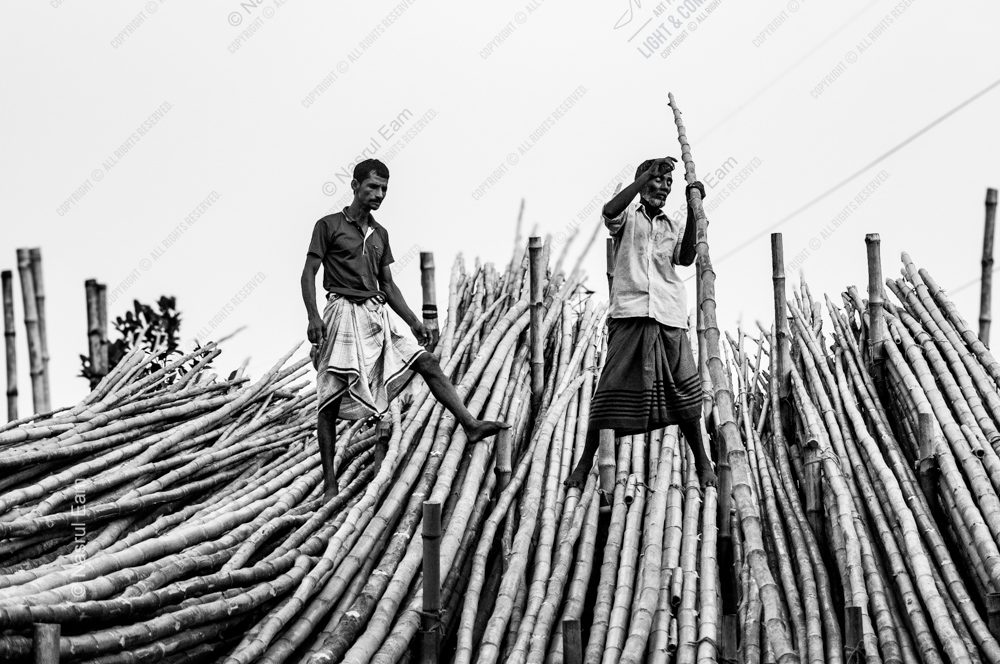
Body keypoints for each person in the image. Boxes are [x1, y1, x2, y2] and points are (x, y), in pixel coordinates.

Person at [301, 158, 508, 499]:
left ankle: (469, 423)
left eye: (383, 189)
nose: (378, 194)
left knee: (425, 362)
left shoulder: (380, 234)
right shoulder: (328, 225)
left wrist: (413, 321)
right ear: (354, 186)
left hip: (375, 313)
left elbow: (388, 284)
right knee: (330, 397)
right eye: (372, 187)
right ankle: (330, 483)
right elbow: (308, 273)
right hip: (340, 311)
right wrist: (313, 316)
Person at [565, 157, 717, 489]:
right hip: (630, 313)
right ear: (643, 180)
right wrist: (644, 176)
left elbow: (687, 257)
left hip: (669, 315)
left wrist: (695, 208)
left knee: (685, 391)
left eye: (668, 183)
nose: (663, 186)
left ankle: (703, 462)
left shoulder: (670, 226)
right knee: (608, 391)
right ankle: (584, 463)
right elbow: (608, 211)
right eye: (657, 179)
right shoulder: (627, 217)